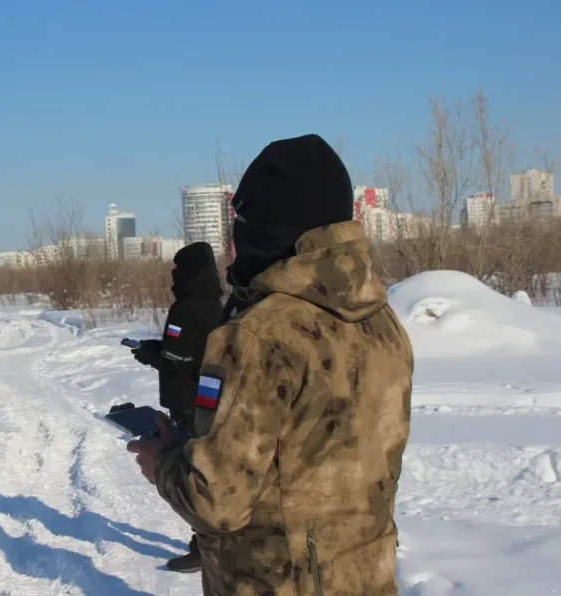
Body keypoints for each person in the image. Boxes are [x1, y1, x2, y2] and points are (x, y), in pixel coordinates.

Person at [127, 133, 414, 595]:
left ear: (272, 227)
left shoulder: (260, 334)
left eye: (240, 222)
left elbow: (216, 500)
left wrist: (163, 463)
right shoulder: (382, 321)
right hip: (367, 577)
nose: (232, 241)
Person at [128, 240, 223, 573]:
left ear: (188, 273)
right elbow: (191, 349)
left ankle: (204, 548)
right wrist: (158, 348)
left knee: (188, 478)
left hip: (187, 403)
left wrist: (151, 354)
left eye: (177, 271)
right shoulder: (217, 303)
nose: (173, 277)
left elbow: (178, 358)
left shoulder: (184, 308)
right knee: (207, 475)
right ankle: (207, 544)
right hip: (209, 401)